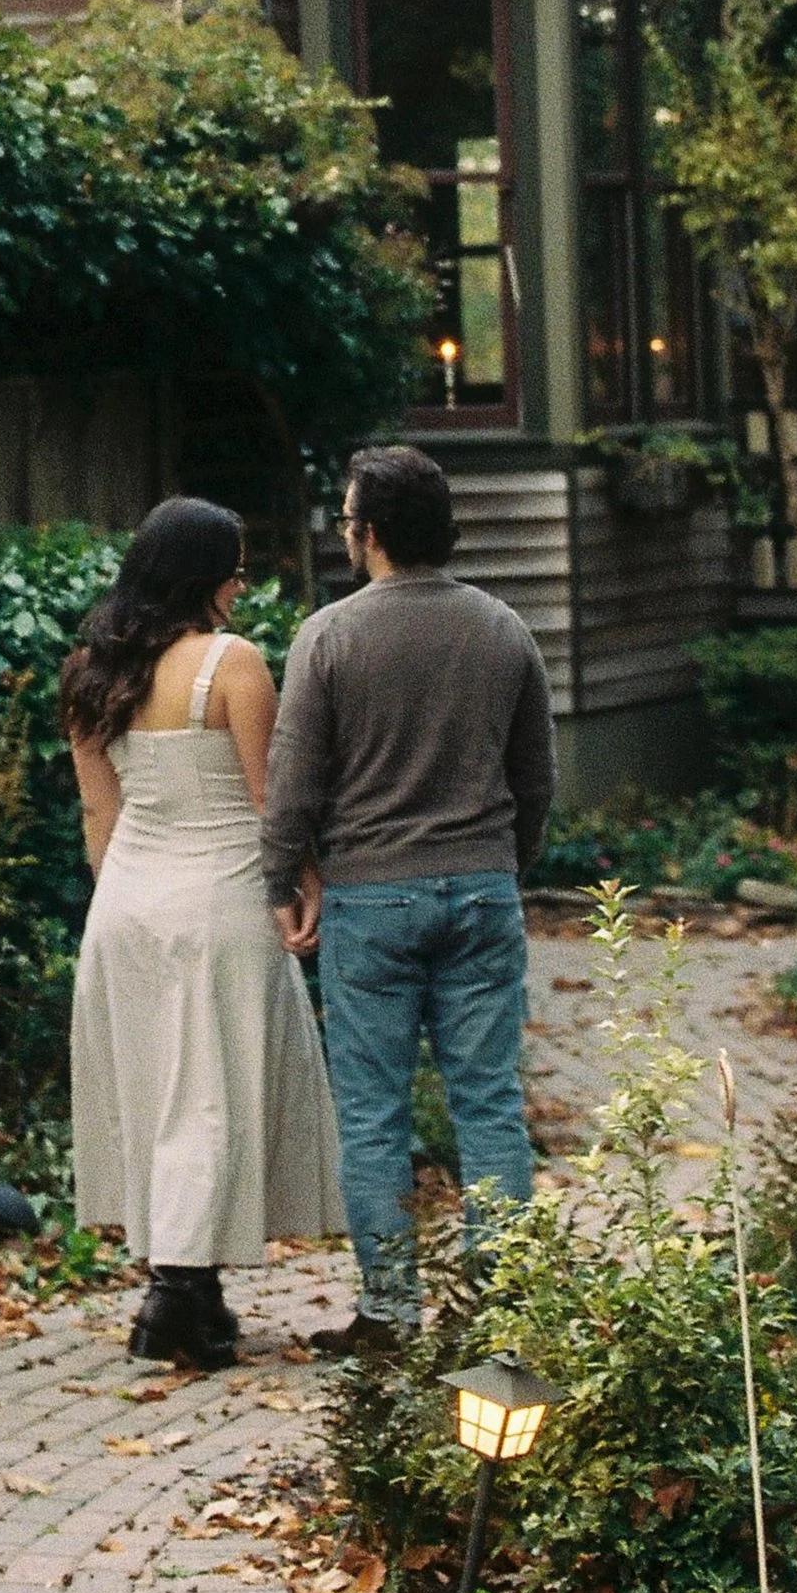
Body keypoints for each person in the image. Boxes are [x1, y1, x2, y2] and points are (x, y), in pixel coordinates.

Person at [261, 443, 556, 1356]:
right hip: (479, 891)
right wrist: (506, 866)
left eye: (348, 522)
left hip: (370, 901)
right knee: (488, 1102)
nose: (346, 536)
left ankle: (390, 1311)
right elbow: (535, 778)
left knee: (375, 1110)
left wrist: (281, 882)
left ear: (373, 533)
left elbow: (294, 783)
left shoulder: (331, 637)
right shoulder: (504, 630)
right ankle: (498, 1311)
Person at [66, 495, 344, 1370]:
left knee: (161, 1098)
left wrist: (126, 903)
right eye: (235, 566)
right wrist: (303, 889)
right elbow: (273, 802)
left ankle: (195, 1292)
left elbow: (97, 813)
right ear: (203, 576)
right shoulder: (234, 664)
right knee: (212, 1098)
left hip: (127, 909)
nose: (241, 583)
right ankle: (174, 1298)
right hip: (219, 901)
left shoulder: (90, 669)